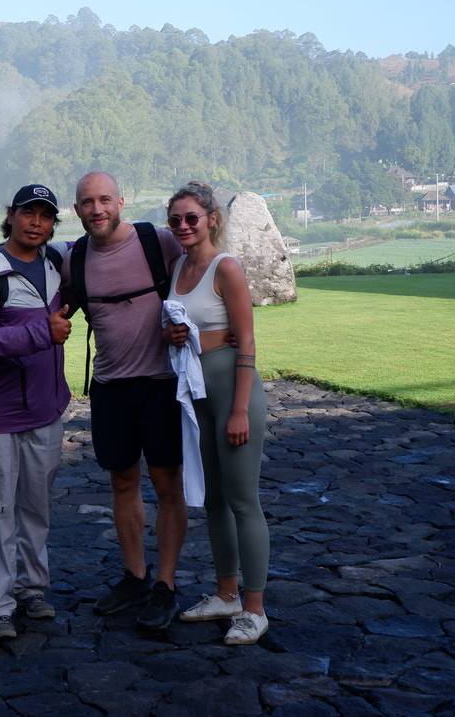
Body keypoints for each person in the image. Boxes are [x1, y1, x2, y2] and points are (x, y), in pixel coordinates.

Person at [66, 172, 186, 631]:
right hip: (111, 387)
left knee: (166, 483)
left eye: (104, 200)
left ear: (121, 200)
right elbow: (56, 310)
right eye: (86, 203)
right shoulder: (73, 260)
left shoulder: (158, 242)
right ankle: (136, 577)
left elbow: (198, 280)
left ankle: (166, 585)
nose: (96, 210)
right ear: (76, 211)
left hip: (160, 383)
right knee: (121, 482)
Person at [0, 184, 72, 641]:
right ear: (10, 215)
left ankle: (31, 589)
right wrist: (40, 332)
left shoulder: (56, 264)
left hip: (45, 409)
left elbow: (106, 240)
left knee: (35, 508)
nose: (36, 223)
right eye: (28, 213)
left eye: (45, 216)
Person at [164, 181, 270, 645]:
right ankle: (225, 594)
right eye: (176, 220)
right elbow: (185, 328)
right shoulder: (178, 267)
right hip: (198, 397)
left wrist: (241, 410)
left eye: (191, 218)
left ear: (211, 219)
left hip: (232, 394)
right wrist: (173, 337)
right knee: (213, 499)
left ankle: (254, 608)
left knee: (243, 499)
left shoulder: (225, 268)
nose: (184, 226)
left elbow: (246, 342)